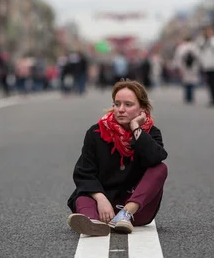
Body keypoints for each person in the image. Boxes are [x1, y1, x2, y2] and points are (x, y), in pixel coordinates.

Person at [67, 79, 168, 236]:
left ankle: (123, 216)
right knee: (82, 196)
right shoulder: (96, 133)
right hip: (102, 206)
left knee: (160, 168)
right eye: (117, 103)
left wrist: (136, 128)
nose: (121, 109)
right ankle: (91, 222)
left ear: (142, 108)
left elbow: (155, 158)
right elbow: (83, 172)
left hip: (135, 209)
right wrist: (101, 199)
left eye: (128, 104)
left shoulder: (151, 133)